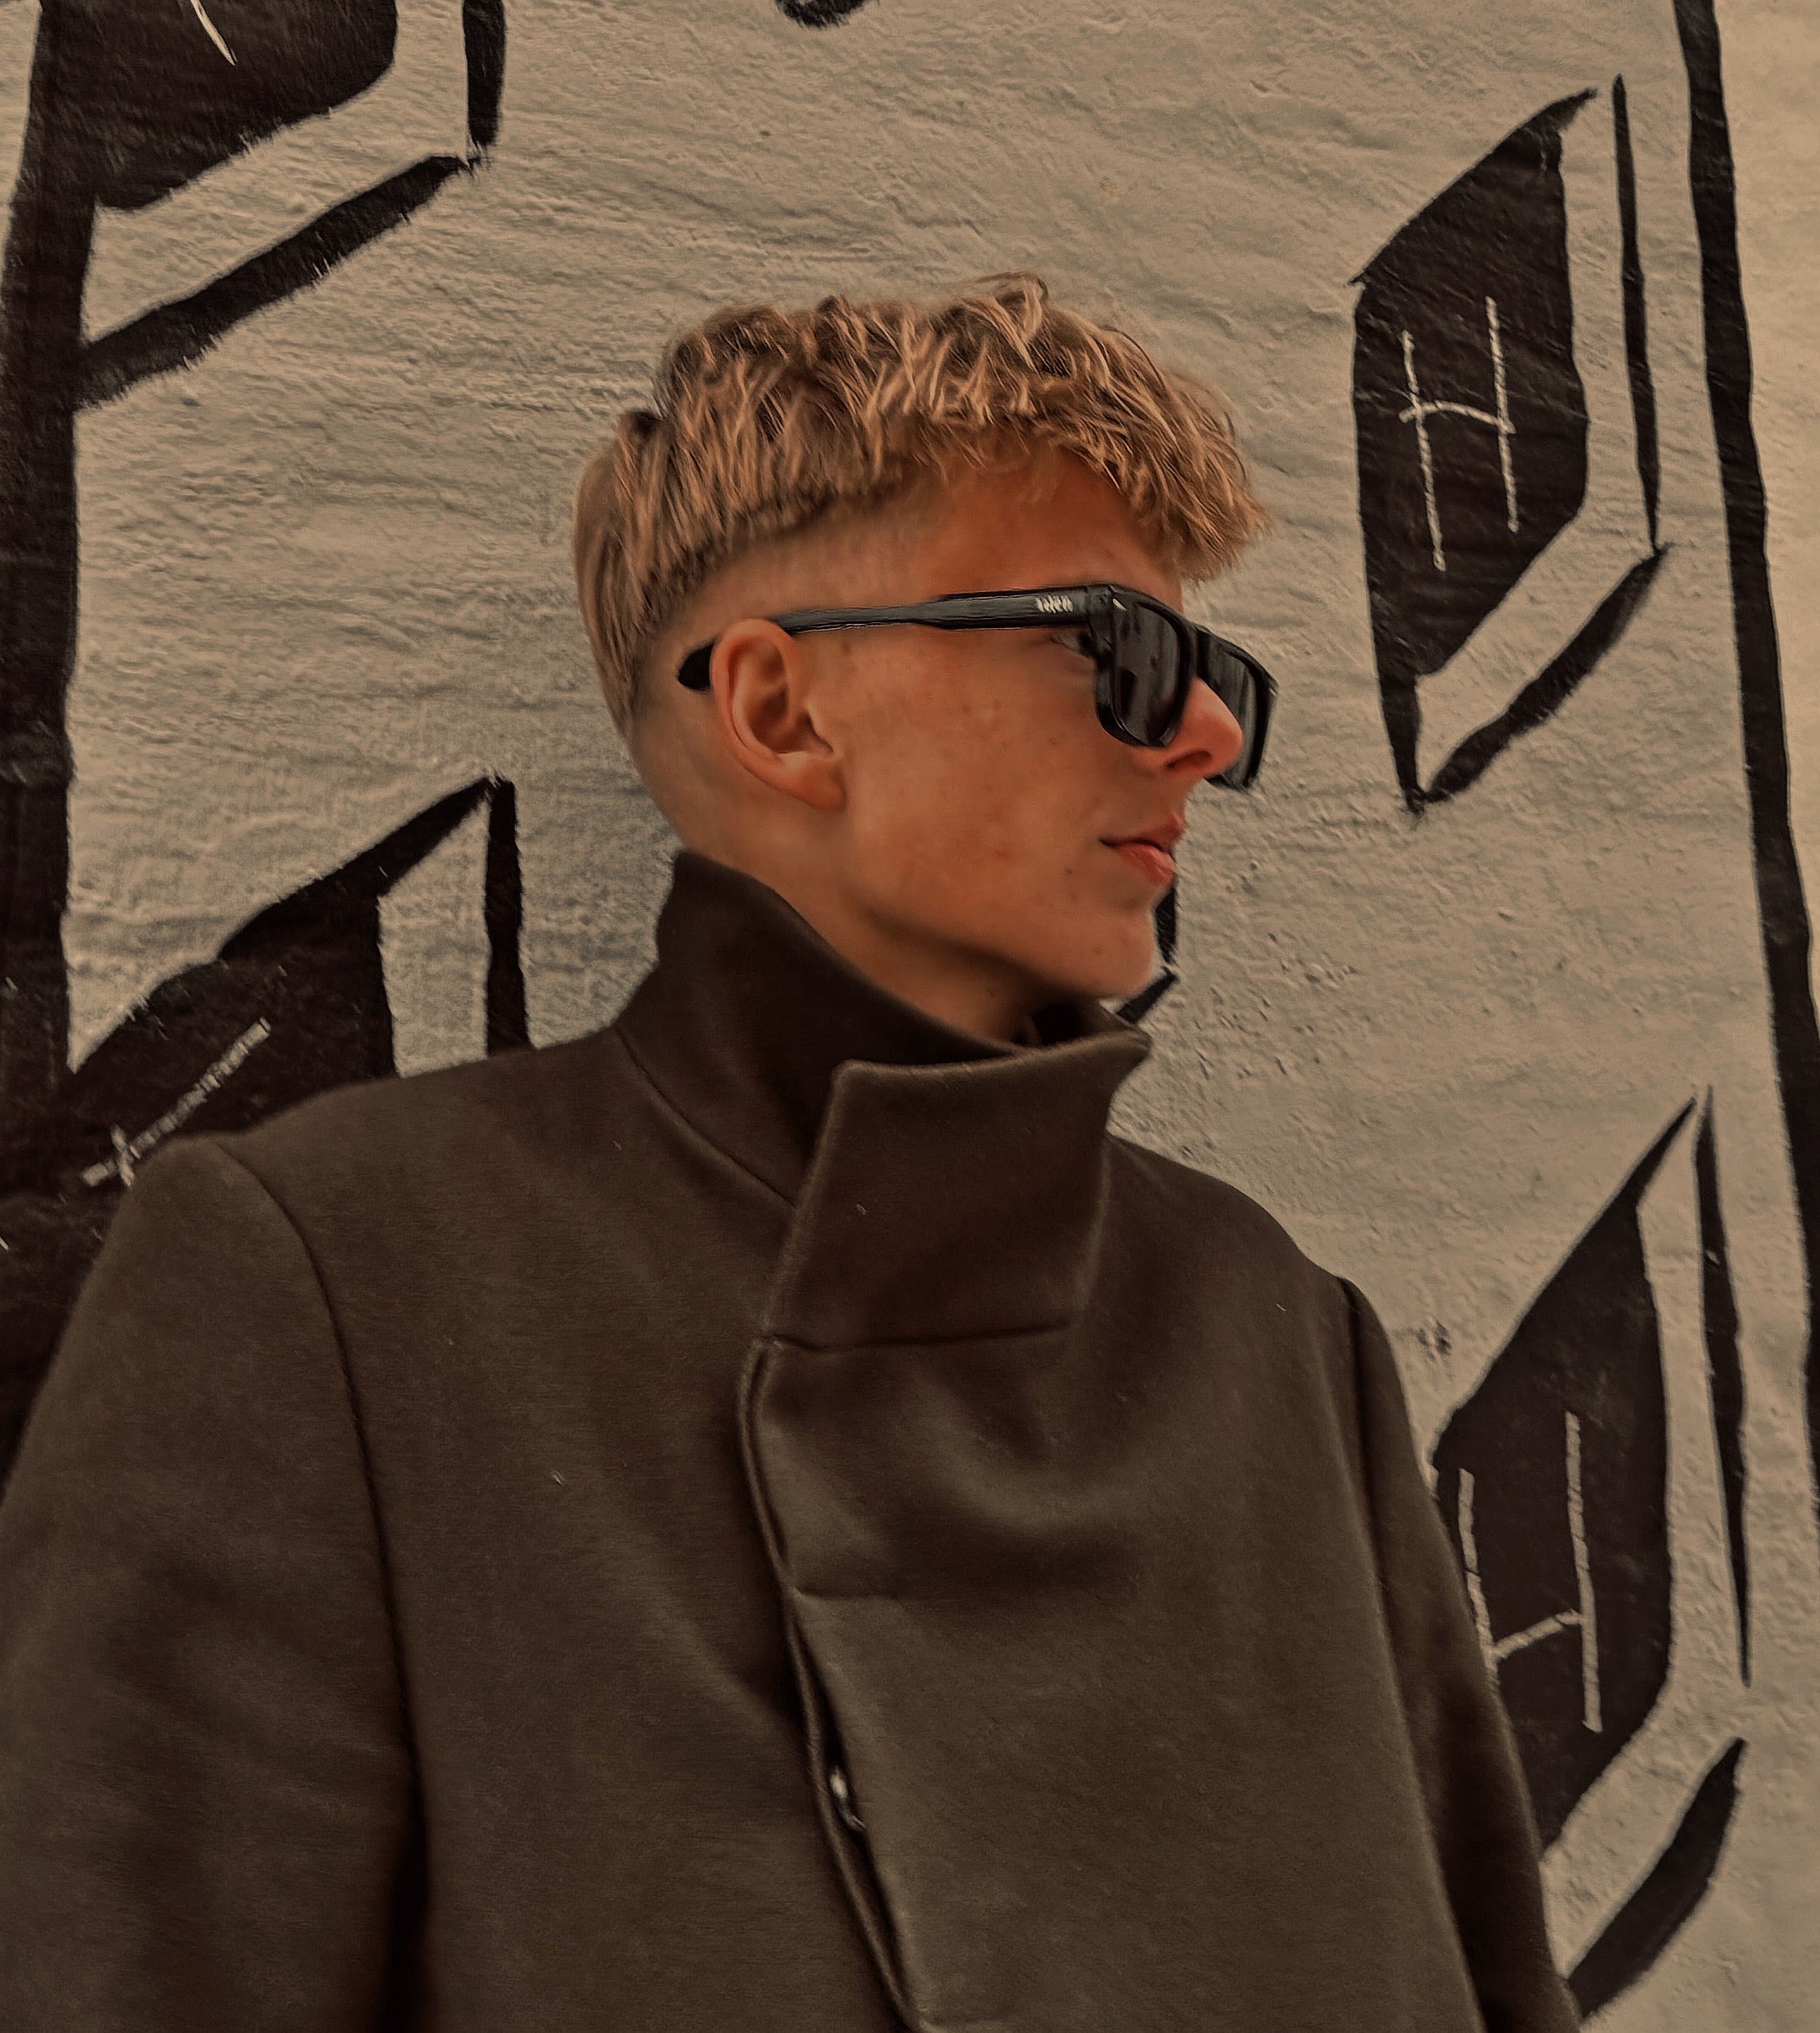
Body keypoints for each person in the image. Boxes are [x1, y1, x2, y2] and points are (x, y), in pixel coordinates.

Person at [0, 273, 1579, 2031]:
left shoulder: (1275, 1337)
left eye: (1214, 676)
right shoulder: (339, 1286)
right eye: (1123, 657)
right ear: (781, 711)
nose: (1205, 736)